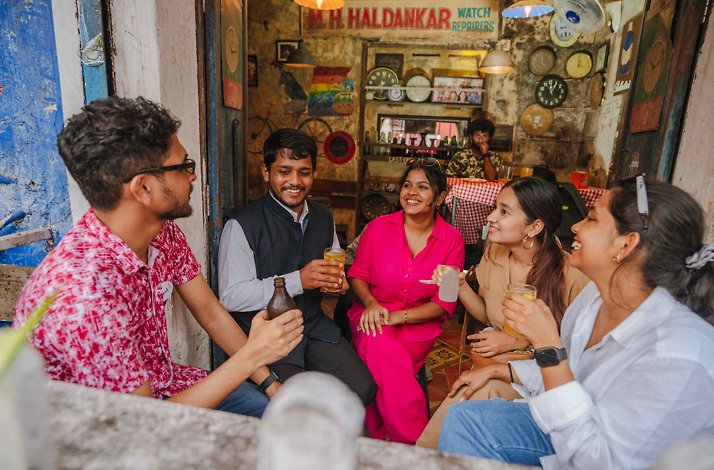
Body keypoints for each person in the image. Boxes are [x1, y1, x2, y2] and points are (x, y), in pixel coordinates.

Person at [13, 96, 304, 416]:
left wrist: (270, 384)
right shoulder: (84, 295)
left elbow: (210, 312)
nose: (193, 176)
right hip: (110, 433)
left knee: (280, 414)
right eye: (183, 166)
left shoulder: (161, 233)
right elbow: (143, 420)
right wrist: (252, 353)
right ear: (143, 188)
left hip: (169, 387)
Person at [438, 177, 714, 468]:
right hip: (569, 424)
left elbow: (599, 460)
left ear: (625, 244)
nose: (575, 226)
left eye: (592, 218)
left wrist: (547, 345)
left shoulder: (677, 356)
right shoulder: (595, 297)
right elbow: (575, 372)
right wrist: (504, 369)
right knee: (464, 418)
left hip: (593, 451)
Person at [416, 176, 589, 448]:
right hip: (496, 364)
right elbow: (487, 315)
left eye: (504, 211)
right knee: (464, 394)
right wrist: (460, 286)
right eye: (495, 207)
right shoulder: (495, 252)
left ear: (534, 227)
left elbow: (578, 352)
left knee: (465, 396)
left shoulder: (573, 276)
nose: (491, 217)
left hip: (540, 379)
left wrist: (520, 341)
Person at [218, 128, 376, 405]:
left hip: (313, 327)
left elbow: (335, 266)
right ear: (267, 173)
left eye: (304, 172)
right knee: (300, 406)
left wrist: (338, 284)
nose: (295, 181)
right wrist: (298, 280)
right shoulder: (242, 225)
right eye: (284, 171)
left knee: (362, 389)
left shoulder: (323, 218)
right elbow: (231, 296)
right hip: (270, 337)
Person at [346, 158, 466, 444]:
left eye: (422, 187)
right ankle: (416, 442)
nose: (411, 193)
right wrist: (372, 304)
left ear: (439, 197)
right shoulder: (377, 228)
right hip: (371, 318)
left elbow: (446, 301)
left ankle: (384, 436)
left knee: (383, 368)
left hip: (419, 327)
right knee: (380, 343)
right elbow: (357, 274)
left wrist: (400, 317)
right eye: (407, 185)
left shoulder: (453, 240)